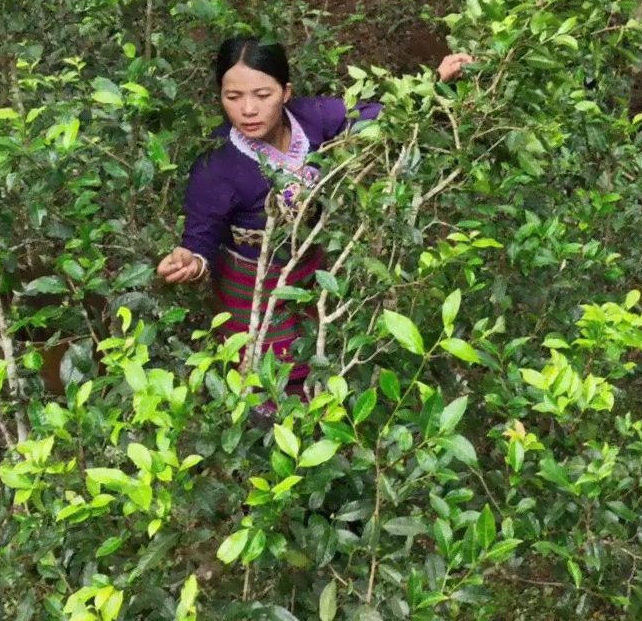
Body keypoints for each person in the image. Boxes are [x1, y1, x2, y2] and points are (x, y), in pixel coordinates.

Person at [157, 38, 473, 399]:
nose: (248, 109)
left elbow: (386, 116)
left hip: (310, 270)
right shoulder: (216, 165)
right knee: (262, 373)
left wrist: (437, 81)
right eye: (233, 97)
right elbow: (201, 239)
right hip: (251, 286)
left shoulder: (313, 119)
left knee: (317, 355)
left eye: (262, 95)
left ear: (286, 92)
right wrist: (190, 262)